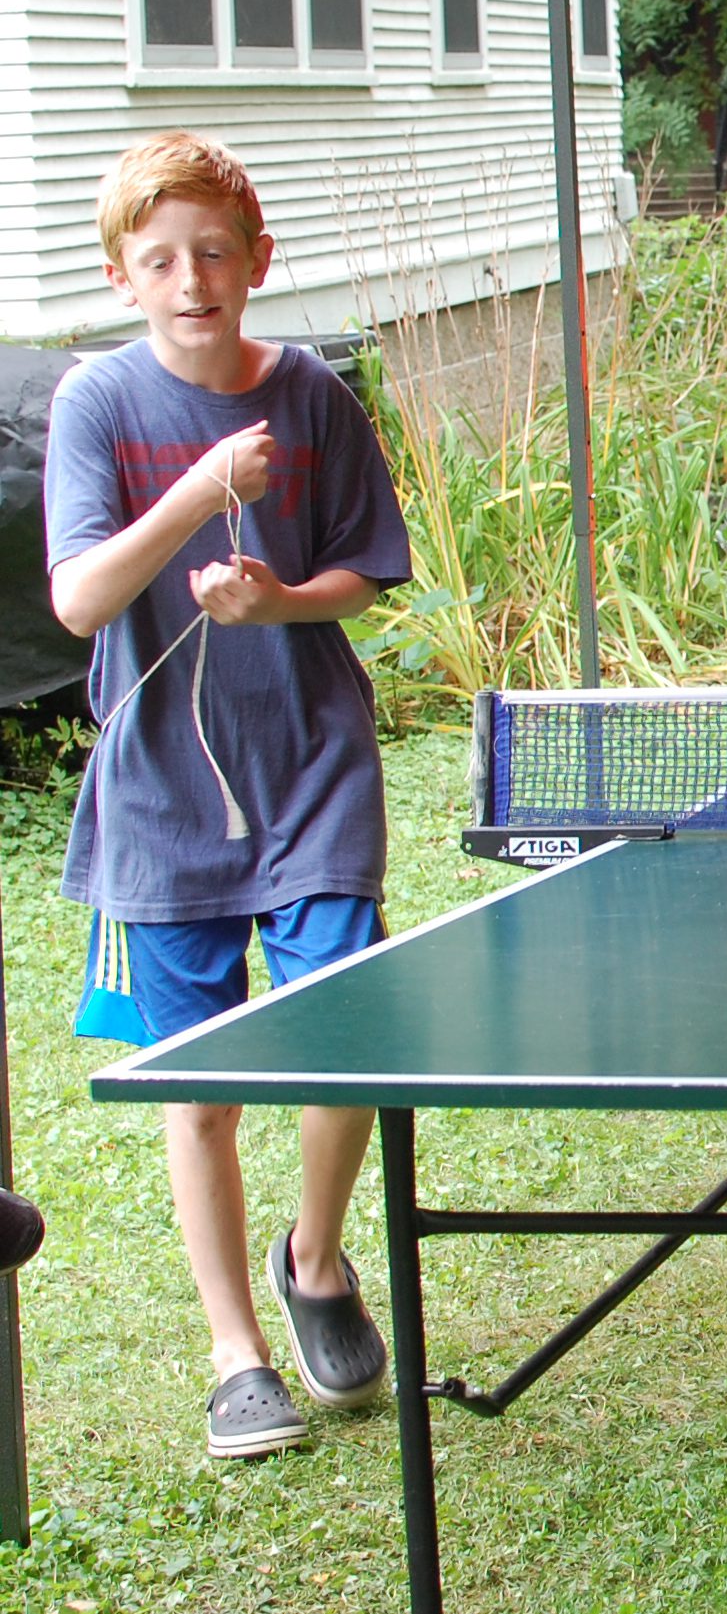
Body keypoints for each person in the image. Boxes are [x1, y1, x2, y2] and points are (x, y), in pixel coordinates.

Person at [47, 133, 414, 1457]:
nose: (191, 280)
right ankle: (234, 1352)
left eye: (213, 253)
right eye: (159, 260)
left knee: (348, 1040)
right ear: (122, 274)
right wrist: (200, 495)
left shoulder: (312, 395)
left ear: (258, 258)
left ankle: (314, 1258)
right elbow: (80, 597)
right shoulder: (98, 403)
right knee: (199, 1091)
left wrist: (279, 600)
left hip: (313, 766)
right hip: (162, 793)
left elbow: (366, 570)